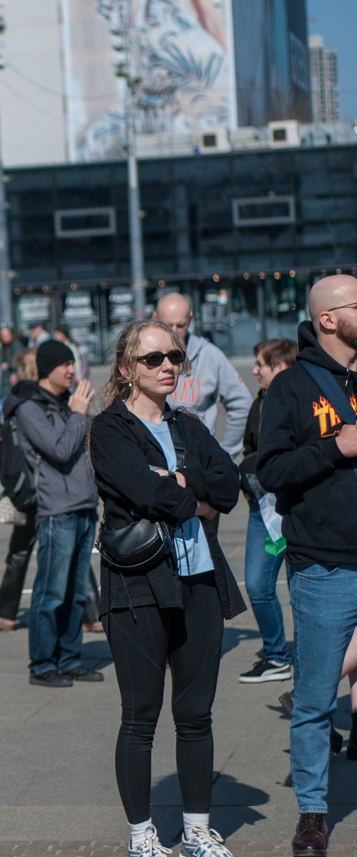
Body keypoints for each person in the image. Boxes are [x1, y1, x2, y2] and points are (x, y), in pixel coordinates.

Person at [90, 320, 243, 857]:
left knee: (196, 714)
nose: (167, 366)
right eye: (154, 358)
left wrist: (181, 486)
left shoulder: (189, 425)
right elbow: (146, 493)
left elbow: (228, 488)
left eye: (174, 356)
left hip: (198, 580)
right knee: (141, 716)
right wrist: (182, 491)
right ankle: (142, 835)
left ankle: (198, 830)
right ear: (127, 369)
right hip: (137, 586)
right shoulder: (109, 429)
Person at [256, 274, 357, 857]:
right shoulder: (292, 388)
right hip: (325, 563)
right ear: (328, 319)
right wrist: (334, 449)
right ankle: (313, 812)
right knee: (317, 698)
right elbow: (271, 470)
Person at [14, 340, 100, 688]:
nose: (71, 370)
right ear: (47, 367)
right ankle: (43, 665)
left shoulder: (65, 404)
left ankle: (70, 659)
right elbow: (60, 450)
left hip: (83, 508)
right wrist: (79, 413)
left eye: (73, 363)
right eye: (64, 364)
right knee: (51, 593)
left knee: (77, 593)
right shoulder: (30, 408)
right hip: (56, 511)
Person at [237, 339, 298, 684]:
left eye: (261, 364)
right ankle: (276, 656)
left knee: (301, 589)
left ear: (281, 367)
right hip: (262, 510)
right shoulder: (260, 402)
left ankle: (305, 662)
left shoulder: (299, 400)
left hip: (294, 509)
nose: (255, 370)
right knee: (259, 585)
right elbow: (250, 446)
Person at [0, 347, 38, 631]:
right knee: (62, 549)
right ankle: (89, 614)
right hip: (43, 489)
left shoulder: (25, 398)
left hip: (32, 490)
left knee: (19, 550)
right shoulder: (43, 396)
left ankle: (3, 612)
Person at [154, 292, 252, 458]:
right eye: (167, 325)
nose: (174, 332)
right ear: (155, 318)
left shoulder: (209, 355)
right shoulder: (143, 358)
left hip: (199, 462)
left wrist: (224, 454)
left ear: (190, 320)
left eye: (180, 325)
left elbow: (242, 403)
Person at [0, 325, 21, 409]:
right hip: (5, 385)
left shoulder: (16, 347)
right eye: (2, 336)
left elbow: (20, 362)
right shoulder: (4, 347)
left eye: (6, 335)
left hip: (12, 383)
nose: (4, 338)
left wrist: (9, 366)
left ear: (11, 335)